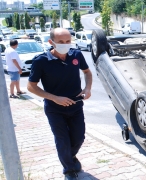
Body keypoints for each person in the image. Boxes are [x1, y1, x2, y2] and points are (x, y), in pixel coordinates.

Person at [27, 28, 92, 180]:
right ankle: (69, 170)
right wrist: (55, 98)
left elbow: (87, 72)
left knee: (79, 138)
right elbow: (31, 86)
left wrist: (87, 88)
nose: (65, 44)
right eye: (61, 42)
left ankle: (70, 157)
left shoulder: (76, 54)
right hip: (54, 109)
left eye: (68, 41)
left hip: (76, 106)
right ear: (51, 42)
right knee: (62, 140)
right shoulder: (40, 61)